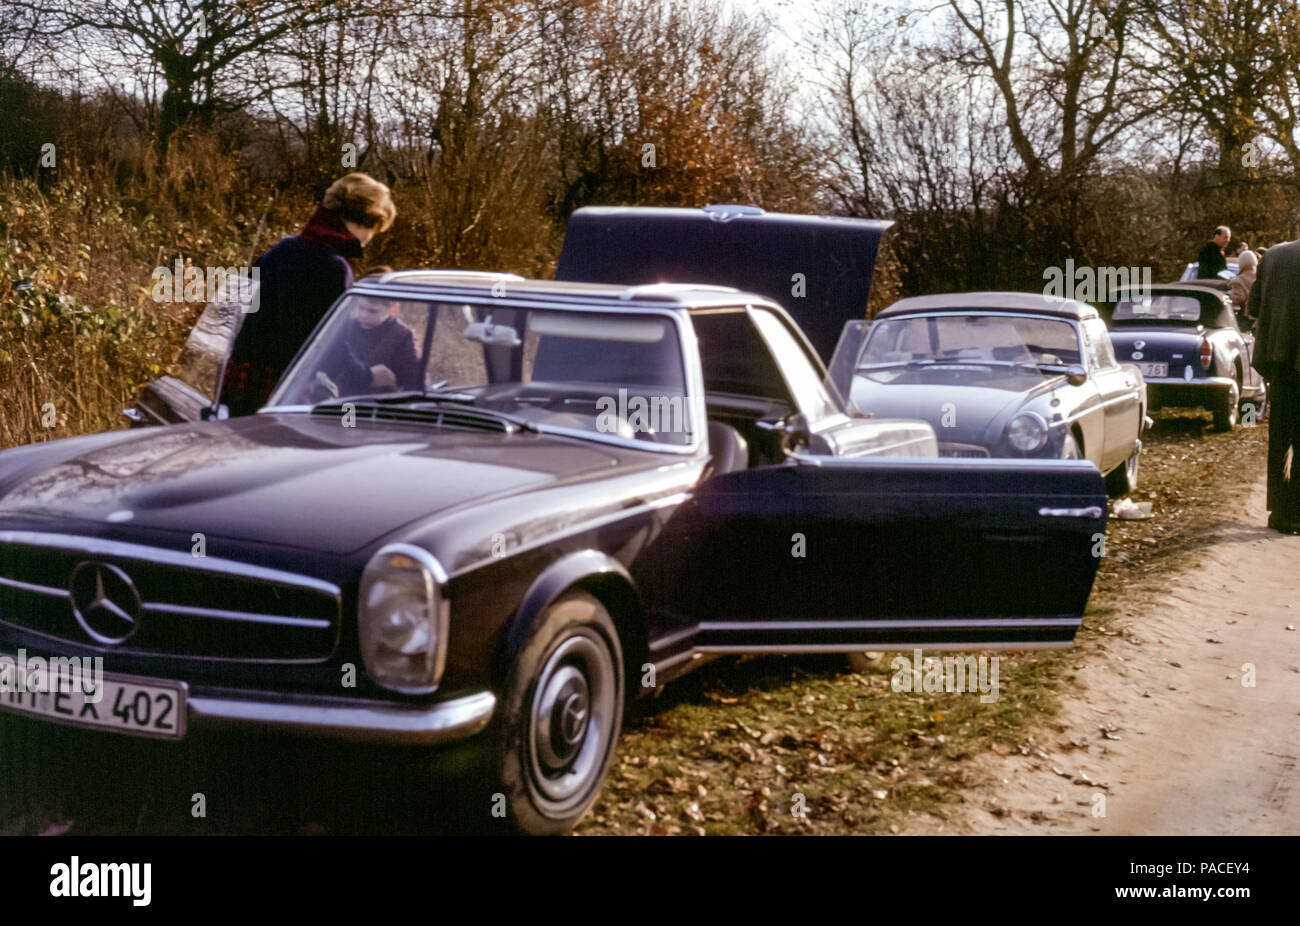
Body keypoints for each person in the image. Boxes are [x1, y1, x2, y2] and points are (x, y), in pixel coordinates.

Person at [221, 173, 397, 415]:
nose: (369, 240)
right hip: (281, 389)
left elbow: (235, 311)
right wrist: (367, 376)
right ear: (365, 221)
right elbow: (329, 346)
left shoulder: (282, 249)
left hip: (239, 382)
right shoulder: (334, 267)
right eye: (375, 230)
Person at [1246, 240, 1300, 533]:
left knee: (1279, 437)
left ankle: (1278, 512)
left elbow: (1253, 307)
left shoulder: (1273, 255)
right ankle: (1297, 513)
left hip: (1278, 361)